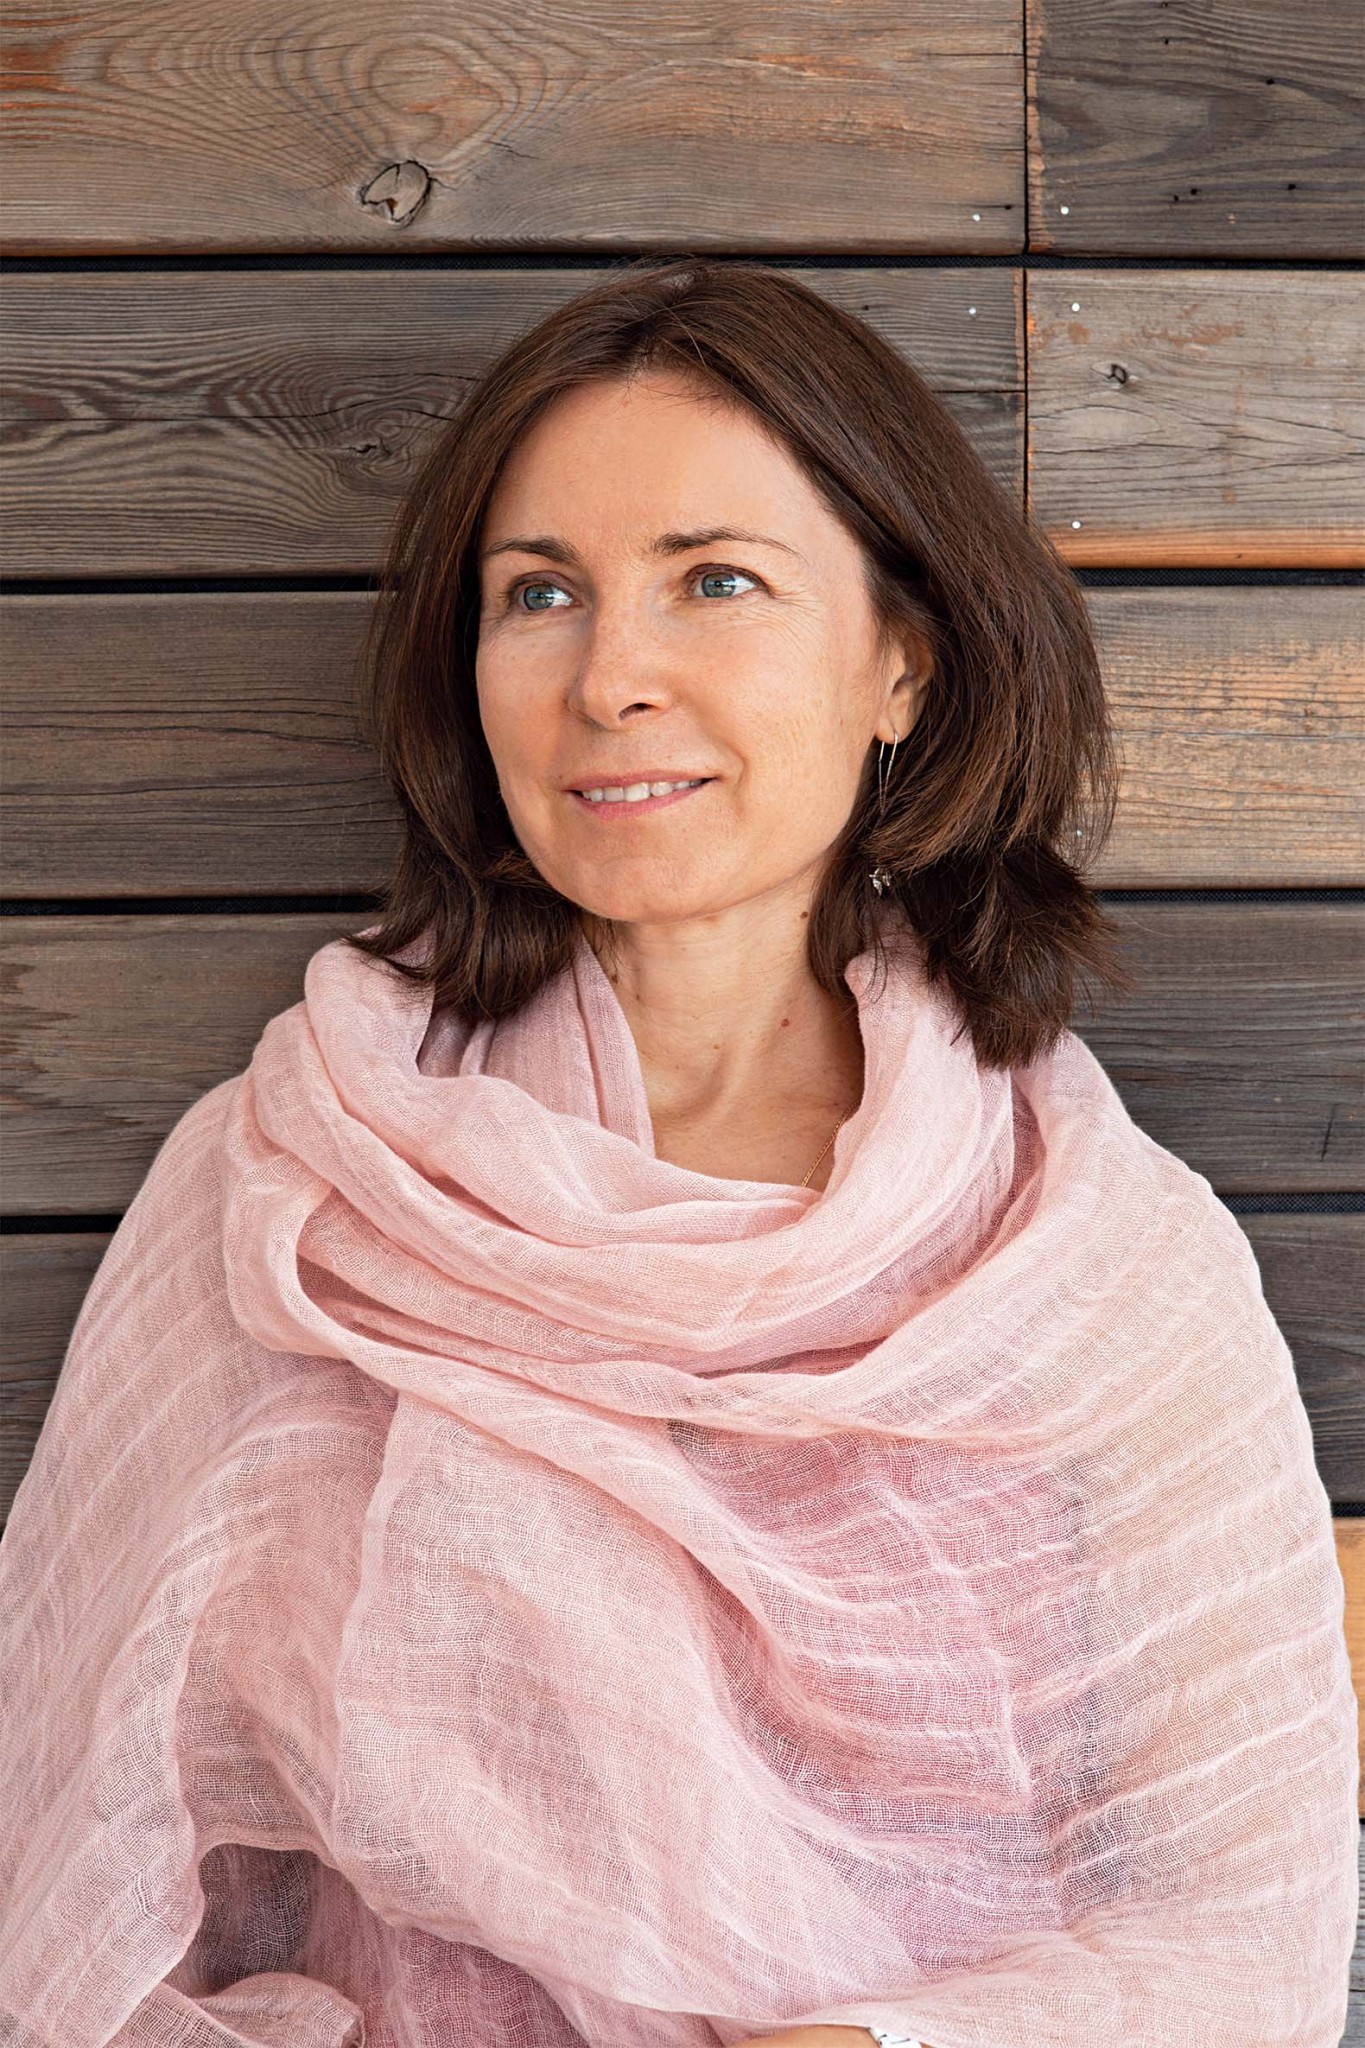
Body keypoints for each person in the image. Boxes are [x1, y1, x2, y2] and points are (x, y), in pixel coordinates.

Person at [0, 258, 1356, 2048]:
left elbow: (1239, 1936)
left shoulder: (1095, 1262)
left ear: (901, 662)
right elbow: (68, 1882)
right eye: (539, 593)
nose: (609, 676)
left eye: (714, 580)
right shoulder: (293, 1187)